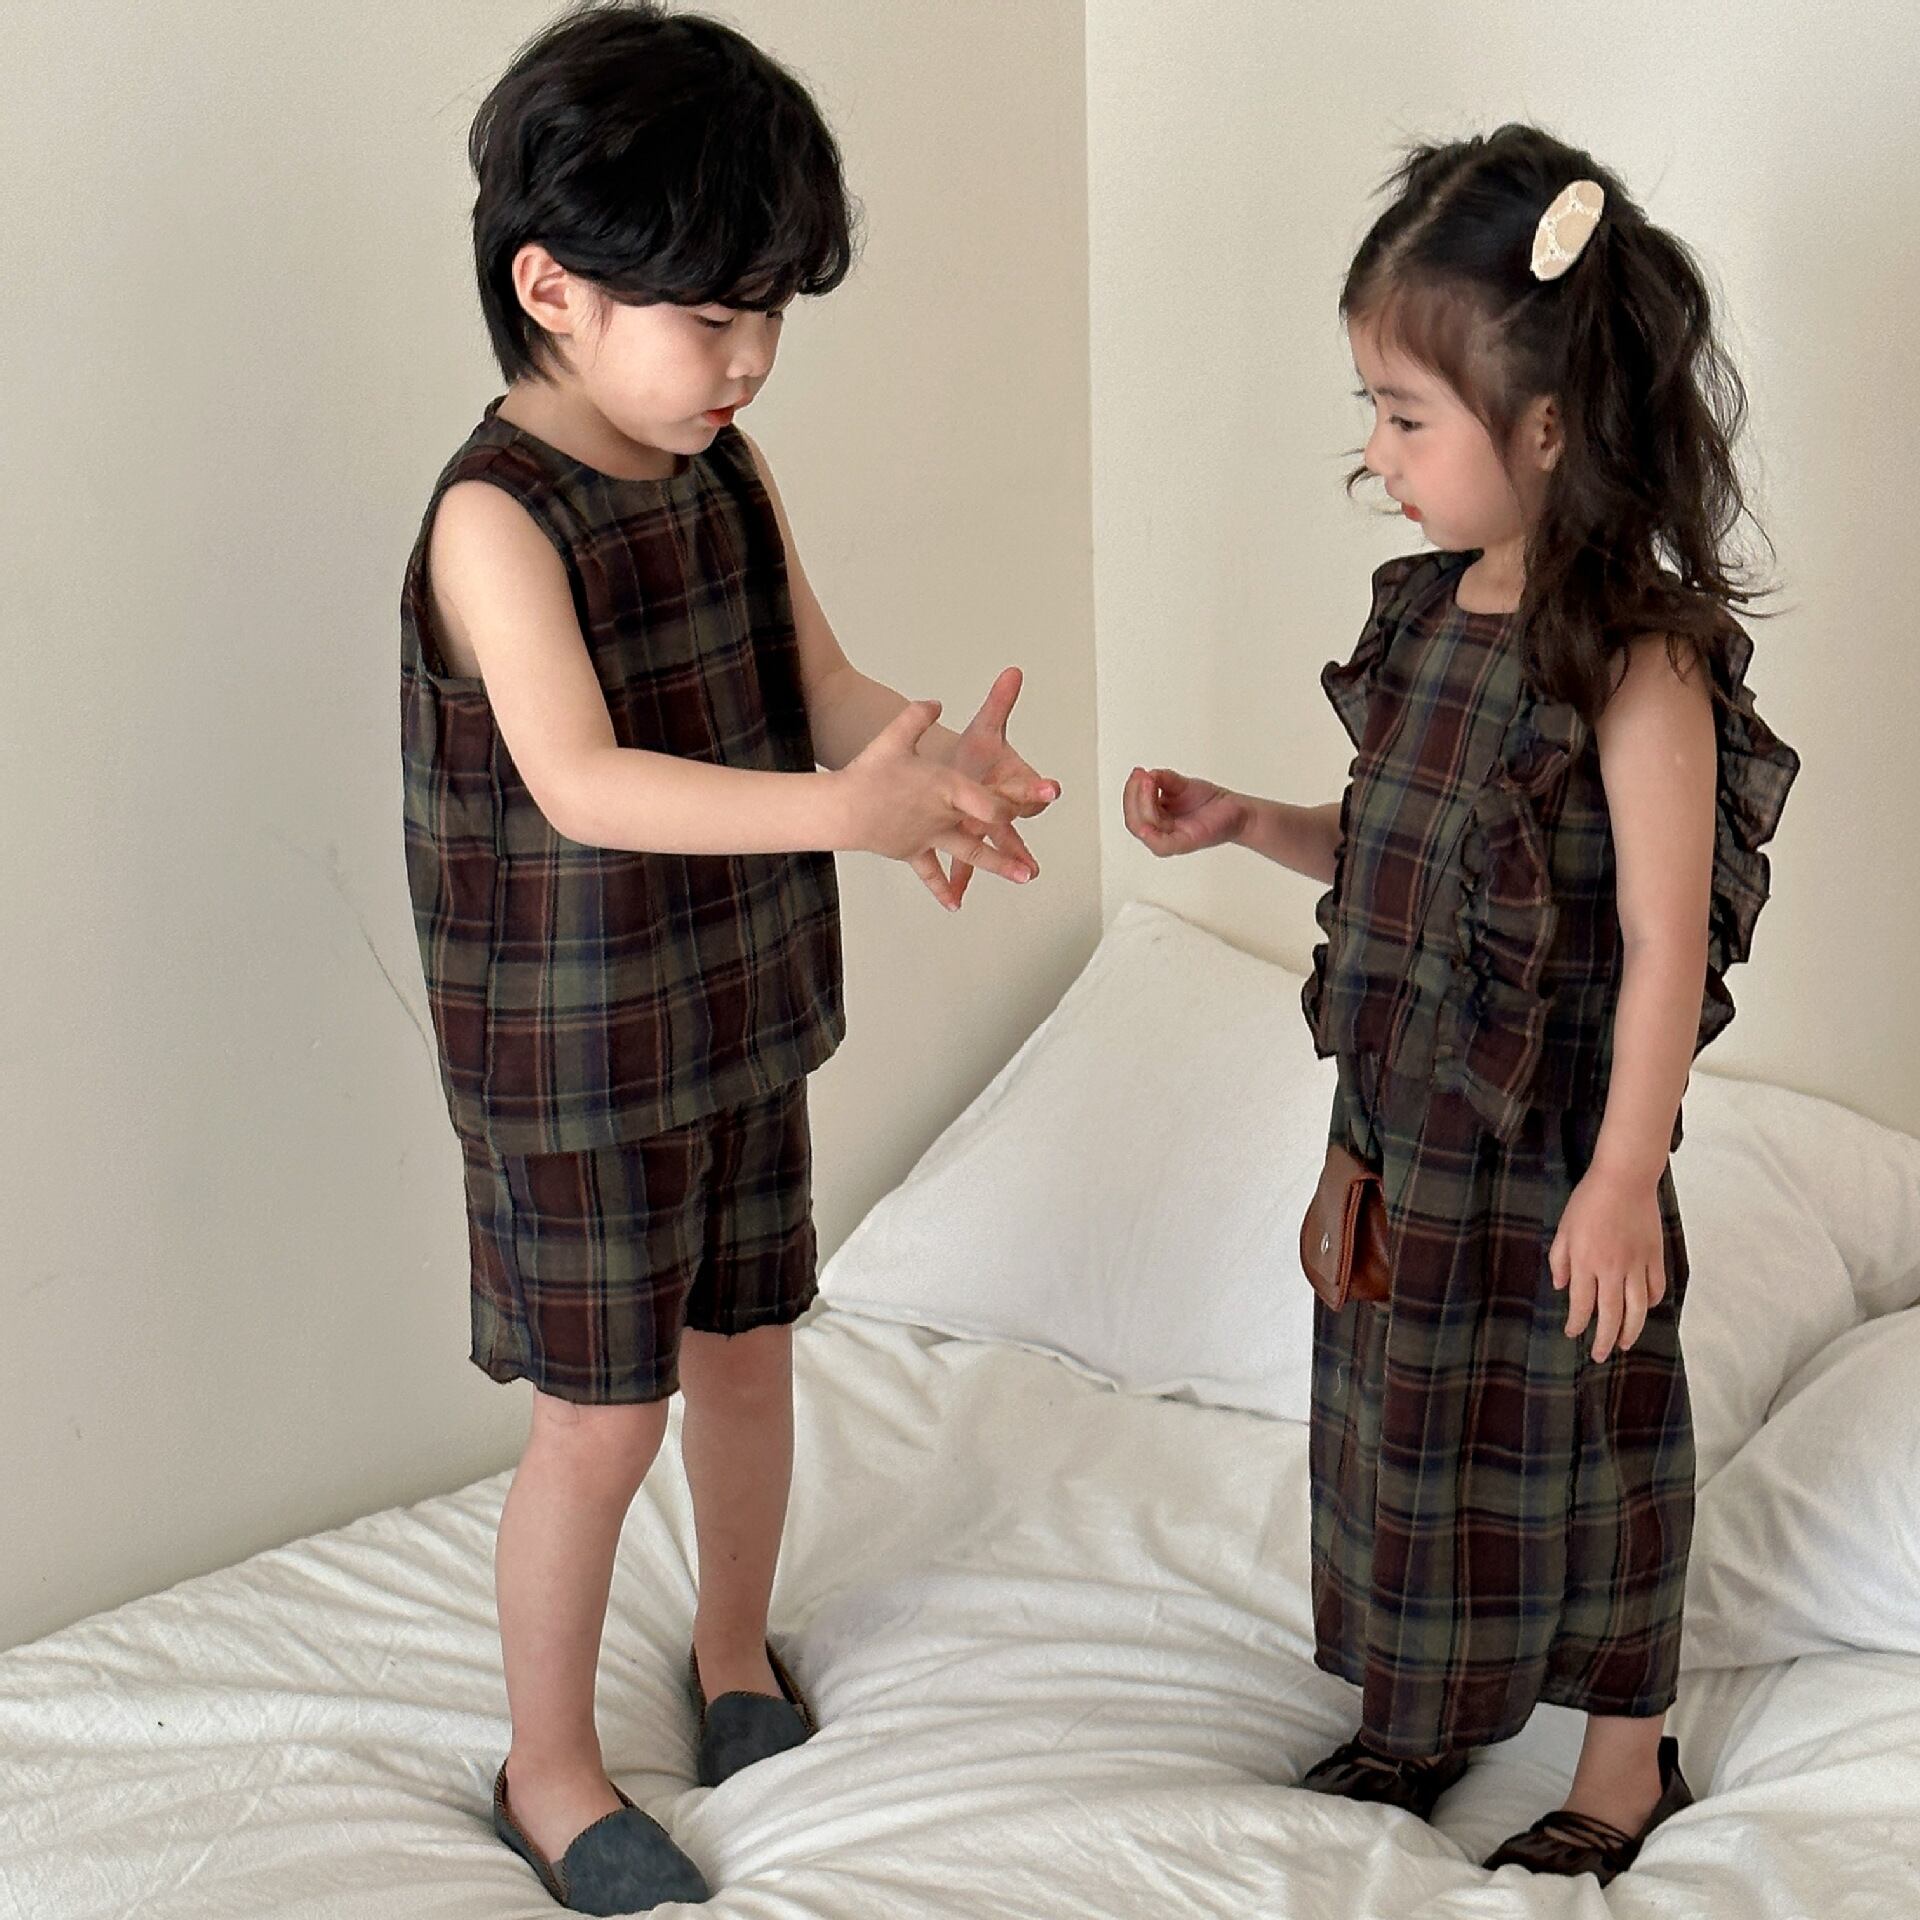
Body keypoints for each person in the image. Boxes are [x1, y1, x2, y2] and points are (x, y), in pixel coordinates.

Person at [400, 7, 1059, 1909]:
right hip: (580, 1060)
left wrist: (921, 773)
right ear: (553, 289)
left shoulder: (726, 467)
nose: (752, 356)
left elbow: (815, 680)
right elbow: (585, 783)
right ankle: (546, 1769)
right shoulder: (494, 521)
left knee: (752, 1358)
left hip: (733, 1013)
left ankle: (731, 1651)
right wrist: (846, 812)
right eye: (712, 316)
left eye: (770, 311)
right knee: (602, 1421)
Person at [1122, 123, 1797, 1886]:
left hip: (1557, 1153)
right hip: (1407, 1133)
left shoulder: (1637, 663)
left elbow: (1664, 946)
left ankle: (1628, 1756)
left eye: (1406, 416)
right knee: (1406, 1432)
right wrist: (1245, 822)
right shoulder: (1427, 617)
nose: (1376, 453)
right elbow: (1401, 845)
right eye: (1375, 409)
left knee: (1589, 1434)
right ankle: (1424, 1707)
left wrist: (1625, 1175)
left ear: (1547, 427)